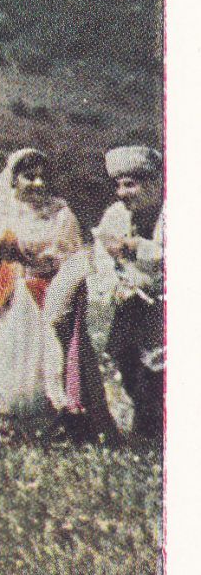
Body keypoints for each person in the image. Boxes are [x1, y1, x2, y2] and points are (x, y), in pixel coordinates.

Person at [0, 148, 115, 443]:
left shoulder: (60, 214)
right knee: (1, 355)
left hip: (47, 297)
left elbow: (75, 259)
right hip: (9, 294)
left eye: (43, 178)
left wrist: (57, 279)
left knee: (49, 357)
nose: (38, 184)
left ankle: (52, 424)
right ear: (13, 179)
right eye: (30, 177)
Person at [93, 144, 164, 442]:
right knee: (124, 358)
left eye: (130, 184)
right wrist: (117, 281)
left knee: (158, 366)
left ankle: (149, 432)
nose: (122, 193)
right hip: (131, 301)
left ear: (155, 183)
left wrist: (138, 249)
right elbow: (102, 256)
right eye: (118, 185)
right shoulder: (116, 214)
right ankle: (148, 425)